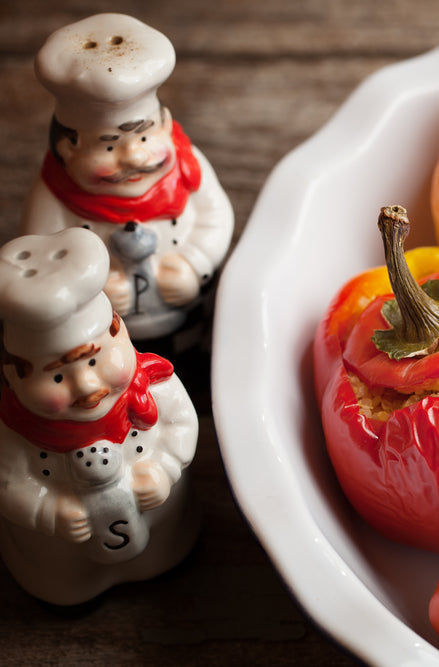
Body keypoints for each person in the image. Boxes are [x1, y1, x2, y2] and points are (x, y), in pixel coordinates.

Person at [0, 227, 199, 605]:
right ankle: (69, 592)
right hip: (62, 549)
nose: (88, 385)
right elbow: (9, 482)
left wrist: (164, 469)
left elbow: (180, 425)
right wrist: (50, 512)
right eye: (57, 375)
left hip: (160, 515)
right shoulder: (14, 429)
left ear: (120, 333)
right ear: (14, 374)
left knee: (164, 549)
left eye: (95, 359)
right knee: (64, 577)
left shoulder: (154, 384)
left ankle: (165, 559)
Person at [20, 13, 234, 341]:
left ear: (165, 123)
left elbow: (215, 215)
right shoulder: (52, 193)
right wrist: (90, 288)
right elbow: (40, 256)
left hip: (190, 315)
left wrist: (194, 262)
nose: (135, 157)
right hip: (101, 337)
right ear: (68, 150)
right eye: (108, 147)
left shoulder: (188, 167)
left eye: (146, 137)